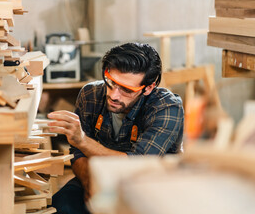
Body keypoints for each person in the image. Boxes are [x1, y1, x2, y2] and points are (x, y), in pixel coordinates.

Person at [47, 42, 184, 214]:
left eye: (126, 90)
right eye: (110, 82)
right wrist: (89, 180)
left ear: (148, 88)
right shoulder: (90, 95)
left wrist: (82, 141)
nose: (113, 95)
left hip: (151, 184)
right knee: (60, 206)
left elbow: (136, 164)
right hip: (98, 176)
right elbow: (78, 154)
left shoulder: (167, 108)